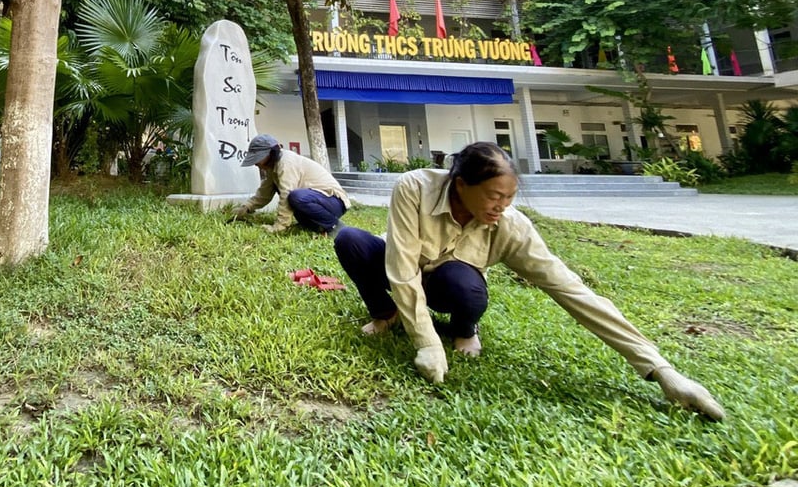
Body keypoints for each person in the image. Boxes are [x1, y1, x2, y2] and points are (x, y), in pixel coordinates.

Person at [333, 141, 725, 420]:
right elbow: (402, 269)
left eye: (508, 197)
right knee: (350, 239)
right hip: (409, 268)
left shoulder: (511, 226)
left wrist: (662, 371)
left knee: (462, 285)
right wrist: (426, 343)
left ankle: (464, 330)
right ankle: (388, 315)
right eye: (493, 196)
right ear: (461, 185)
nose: (500, 206)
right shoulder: (415, 188)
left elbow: (572, 290)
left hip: (450, 283)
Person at [231, 134, 350, 234]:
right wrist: (245, 208)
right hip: (318, 199)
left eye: (257, 159)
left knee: (295, 197)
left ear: (270, 154)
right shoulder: (273, 168)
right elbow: (264, 194)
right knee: (294, 196)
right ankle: (314, 226)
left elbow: (286, 195)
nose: (256, 163)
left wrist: (279, 226)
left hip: (334, 201)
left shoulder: (286, 163)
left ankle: (333, 227)